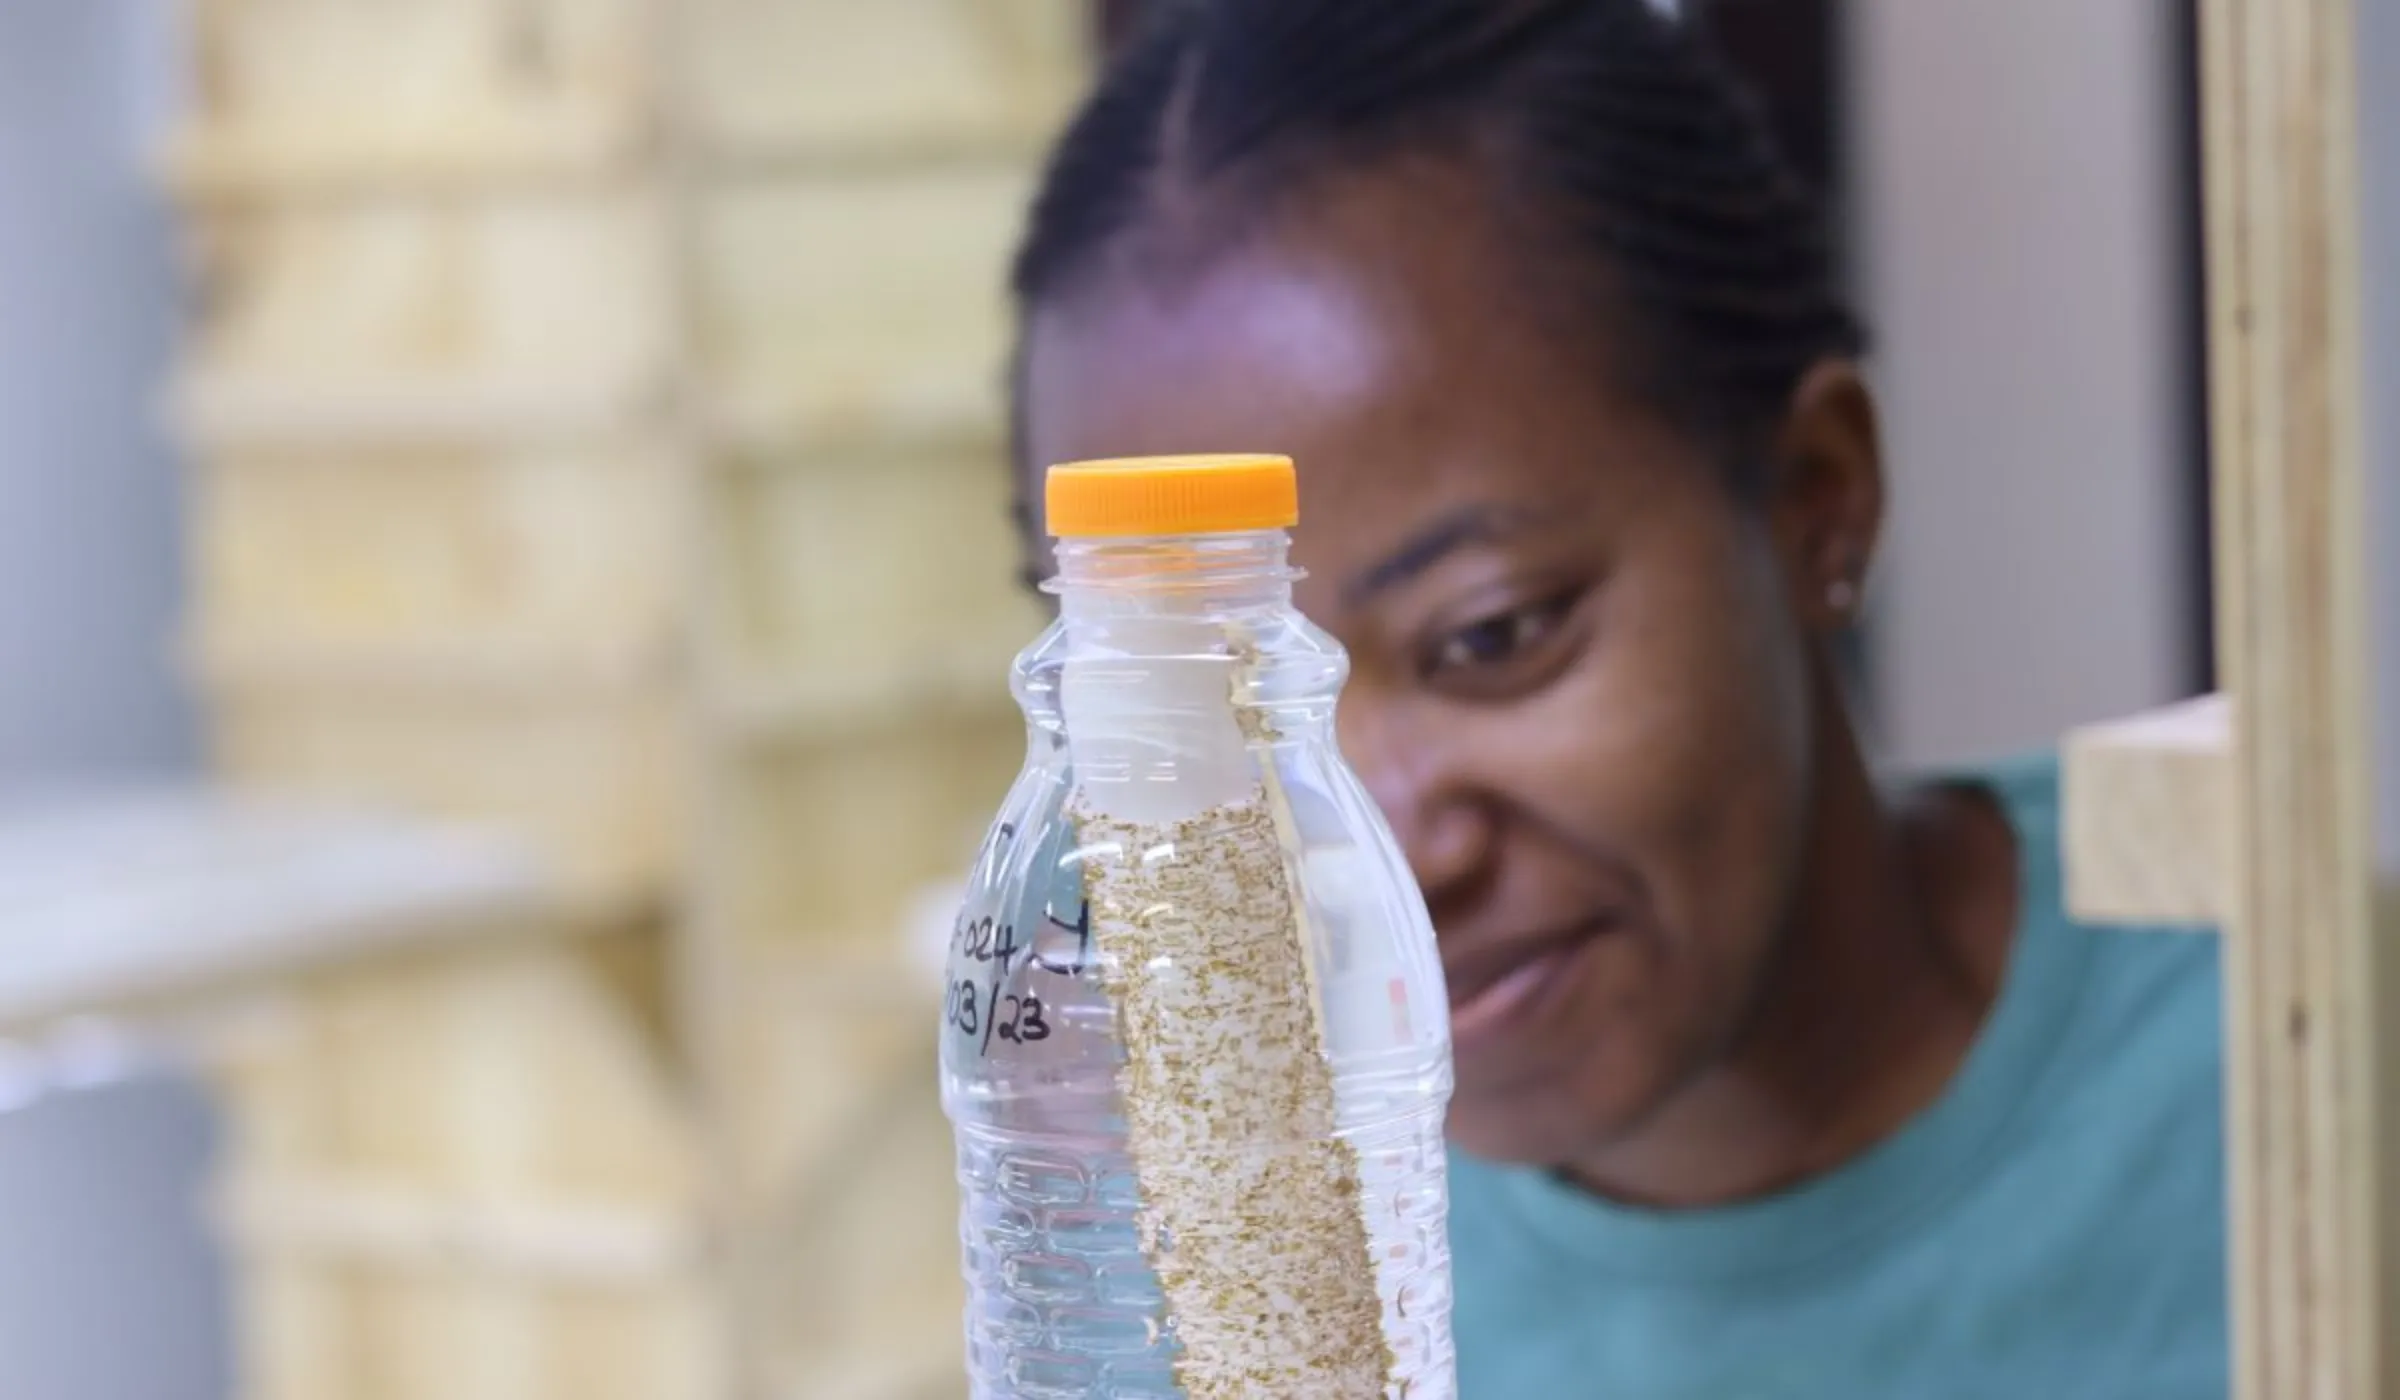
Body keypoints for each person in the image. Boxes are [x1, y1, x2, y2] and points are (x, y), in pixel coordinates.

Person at [1001, 0, 2228, 1394]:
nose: (1385, 854)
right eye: (1230, 726)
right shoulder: (1231, 1311)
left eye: (1492, 635)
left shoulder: (2282, 1001)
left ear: (1820, 499)